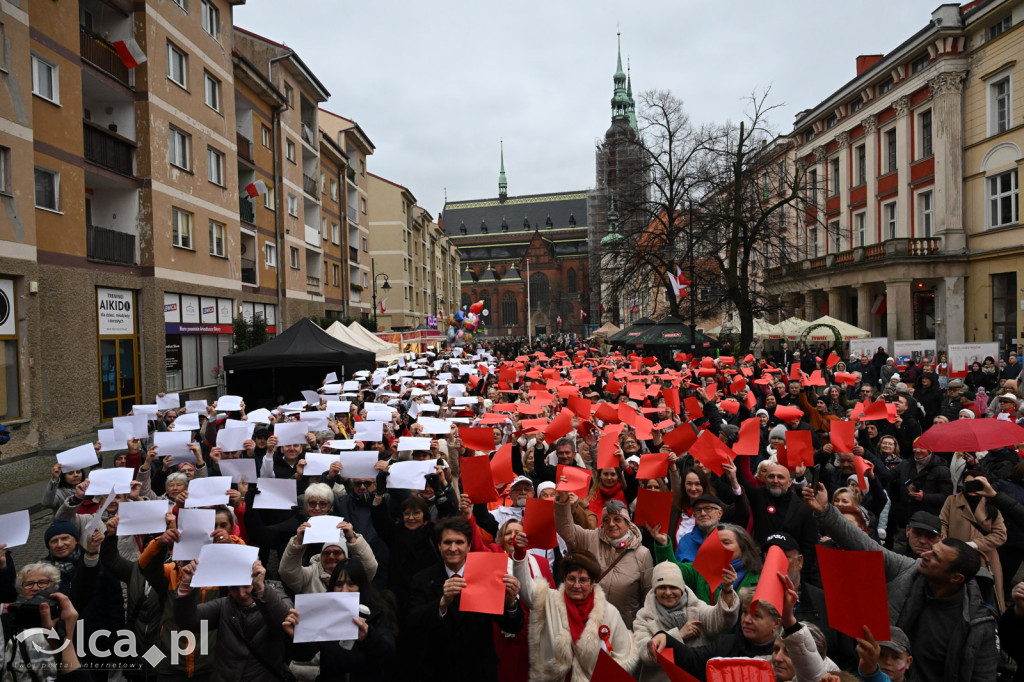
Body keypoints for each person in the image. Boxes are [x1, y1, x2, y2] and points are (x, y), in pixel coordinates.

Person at [802, 482, 998, 682]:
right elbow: (862, 544)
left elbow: (984, 676)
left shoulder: (977, 623)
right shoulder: (908, 569)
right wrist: (826, 511)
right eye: (933, 549)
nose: (926, 554)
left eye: (936, 558)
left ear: (956, 578)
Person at [405, 515, 523, 682]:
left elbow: (511, 627)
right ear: (439, 546)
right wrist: (441, 604)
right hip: (437, 672)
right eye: (447, 542)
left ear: (469, 547)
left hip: (479, 671)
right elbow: (414, 624)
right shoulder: (422, 579)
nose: (453, 548)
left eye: (459, 542)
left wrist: (511, 603)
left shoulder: (486, 575)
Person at [512, 548, 637, 681]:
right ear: (564, 579)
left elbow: (623, 655)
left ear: (592, 583)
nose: (576, 586)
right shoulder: (548, 600)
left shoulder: (610, 612)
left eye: (583, 580)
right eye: (571, 579)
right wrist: (520, 555)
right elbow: (525, 587)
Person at [174, 558, 293, 682]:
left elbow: (284, 624)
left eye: (247, 586)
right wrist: (186, 586)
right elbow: (189, 621)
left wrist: (261, 589)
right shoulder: (224, 605)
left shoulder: (274, 593)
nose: (242, 594)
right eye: (235, 588)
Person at [284, 557, 399, 681]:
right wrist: (296, 637)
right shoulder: (325, 613)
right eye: (339, 584)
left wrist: (367, 637)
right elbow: (304, 655)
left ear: (362, 586)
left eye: (351, 584)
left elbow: (387, 652)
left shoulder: (378, 611)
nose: (344, 590)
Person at [554, 495, 652, 627]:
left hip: (625, 626)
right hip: (589, 623)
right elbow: (566, 530)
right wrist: (563, 502)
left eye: (617, 519)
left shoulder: (642, 554)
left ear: (628, 523)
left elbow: (647, 596)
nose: (611, 524)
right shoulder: (590, 538)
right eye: (606, 520)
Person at [632, 561, 739, 681]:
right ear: (654, 590)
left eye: (673, 587)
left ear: (682, 588)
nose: (668, 592)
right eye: (662, 587)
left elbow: (720, 622)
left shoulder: (696, 607)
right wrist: (678, 635)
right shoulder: (644, 616)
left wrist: (727, 590)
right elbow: (644, 653)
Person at [647, 587, 781, 679]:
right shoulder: (726, 644)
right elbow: (692, 659)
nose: (747, 620)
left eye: (756, 616)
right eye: (745, 612)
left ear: (776, 623)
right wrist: (665, 637)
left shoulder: (785, 655)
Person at [940, 468, 1008, 610]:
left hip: (985, 558)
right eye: (967, 483)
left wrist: (974, 544)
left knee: (986, 598)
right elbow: (943, 523)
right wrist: (945, 543)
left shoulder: (992, 505)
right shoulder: (952, 500)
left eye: (975, 483)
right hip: (956, 555)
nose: (971, 487)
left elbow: (1000, 535)